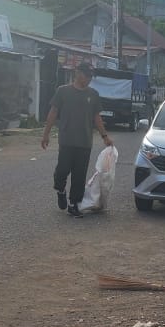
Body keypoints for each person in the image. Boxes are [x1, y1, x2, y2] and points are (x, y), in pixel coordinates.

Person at [41, 62, 114, 217]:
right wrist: (46, 134)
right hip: (67, 140)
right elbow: (53, 112)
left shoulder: (93, 94)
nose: (88, 78)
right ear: (77, 73)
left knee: (79, 176)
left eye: (90, 76)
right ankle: (60, 189)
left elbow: (97, 117)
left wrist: (105, 136)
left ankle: (74, 204)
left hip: (85, 142)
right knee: (62, 170)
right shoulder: (63, 91)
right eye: (86, 75)